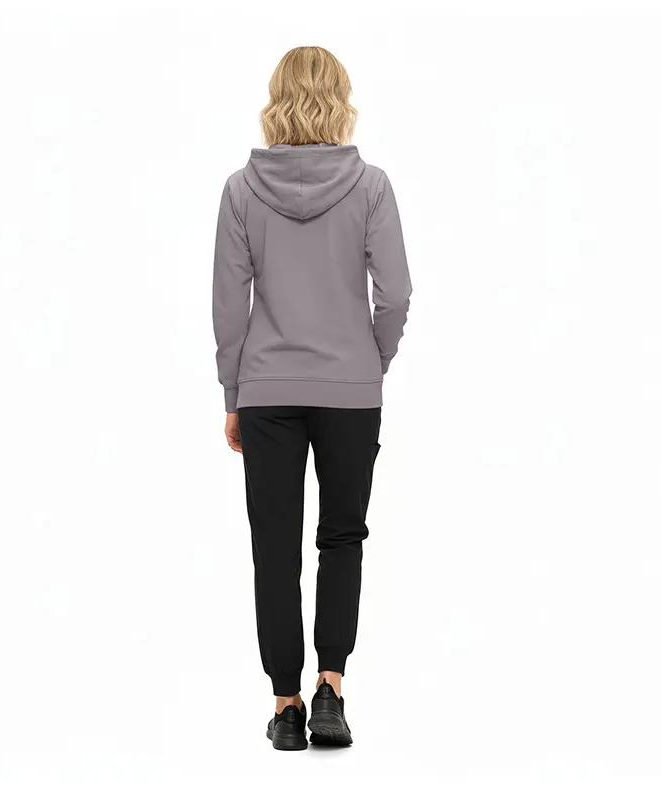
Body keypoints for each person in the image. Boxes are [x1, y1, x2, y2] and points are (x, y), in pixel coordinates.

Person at [212, 46, 411, 750]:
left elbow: (228, 307)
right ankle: (331, 689)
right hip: (351, 391)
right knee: (342, 536)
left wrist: (233, 392)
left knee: (274, 547)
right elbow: (396, 294)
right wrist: (370, 362)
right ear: (340, 99)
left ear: (276, 100)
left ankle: (286, 704)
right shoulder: (371, 187)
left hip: (266, 390)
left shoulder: (241, 190)